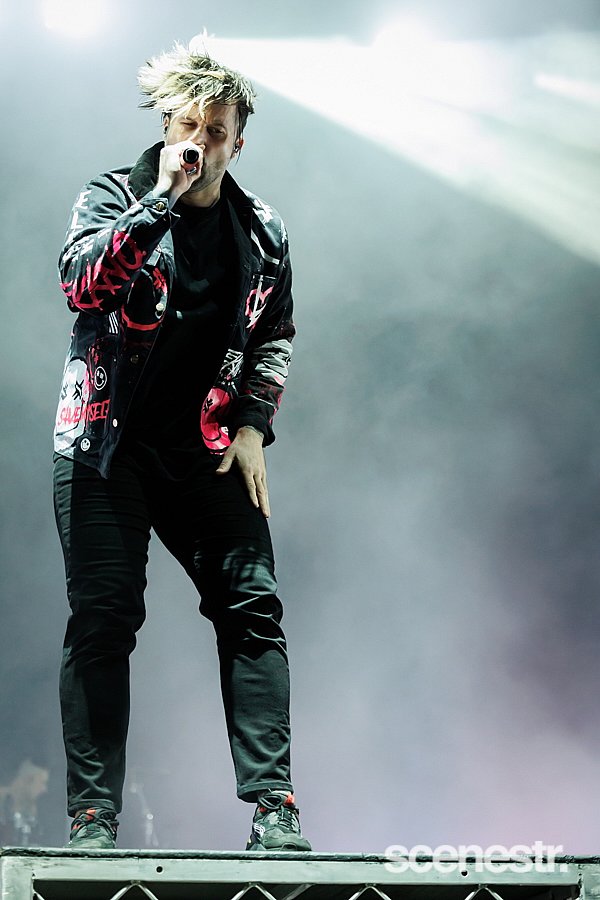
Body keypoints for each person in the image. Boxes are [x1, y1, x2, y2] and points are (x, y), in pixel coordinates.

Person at [52, 41, 311, 853]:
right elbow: (82, 284)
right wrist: (159, 201)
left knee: (253, 608)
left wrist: (253, 426)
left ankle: (274, 808)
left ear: (239, 142)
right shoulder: (114, 195)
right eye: (188, 127)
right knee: (105, 616)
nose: (200, 144)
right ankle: (93, 819)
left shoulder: (261, 230)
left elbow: (275, 333)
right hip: (106, 445)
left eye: (217, 132)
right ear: (167, 126)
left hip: (204, 448)